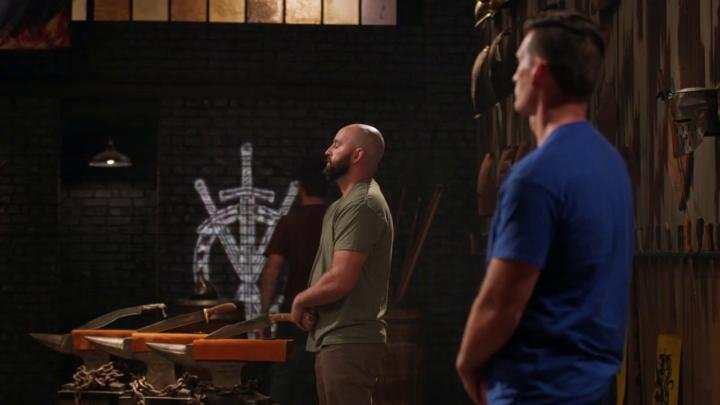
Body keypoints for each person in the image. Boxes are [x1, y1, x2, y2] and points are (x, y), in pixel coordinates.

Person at [456, 11, 634, 404]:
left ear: (538, 73)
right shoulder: (612, 166)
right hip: (595, 387)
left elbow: (502, 302)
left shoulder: (535, 177)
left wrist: (467, 363)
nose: (514, 75)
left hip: (536, 388)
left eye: (519, 62)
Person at [291, 123, 393, 405]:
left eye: (336, 145)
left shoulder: (362, 204)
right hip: (335, 338)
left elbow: (341, 279)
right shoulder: (342, 205)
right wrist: (314, 304)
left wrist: (301, 300)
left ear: (357, 155)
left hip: (349, 340)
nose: (328, 150)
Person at [258, 157, 330, 405]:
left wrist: (264, 314)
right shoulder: (339, 221)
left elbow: (272, 271)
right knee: (325, 380)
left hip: (294, 312)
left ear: (300, 188)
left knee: (285, 377)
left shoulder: (290, 222)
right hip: (334, 310)